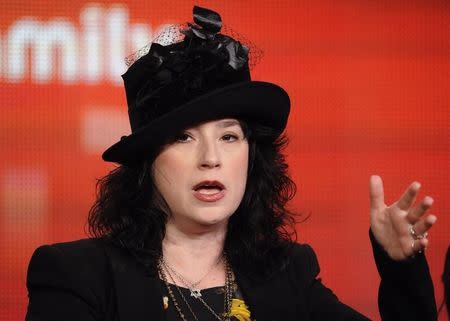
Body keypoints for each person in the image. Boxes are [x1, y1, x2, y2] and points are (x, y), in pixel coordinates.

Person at [25, 6, 438, 321]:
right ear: (148, 161)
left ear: (251, 158)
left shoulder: (288, 273)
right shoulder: (76, 275)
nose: (211, 159)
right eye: (183, 138)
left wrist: (399, 263)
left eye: (229, 136)